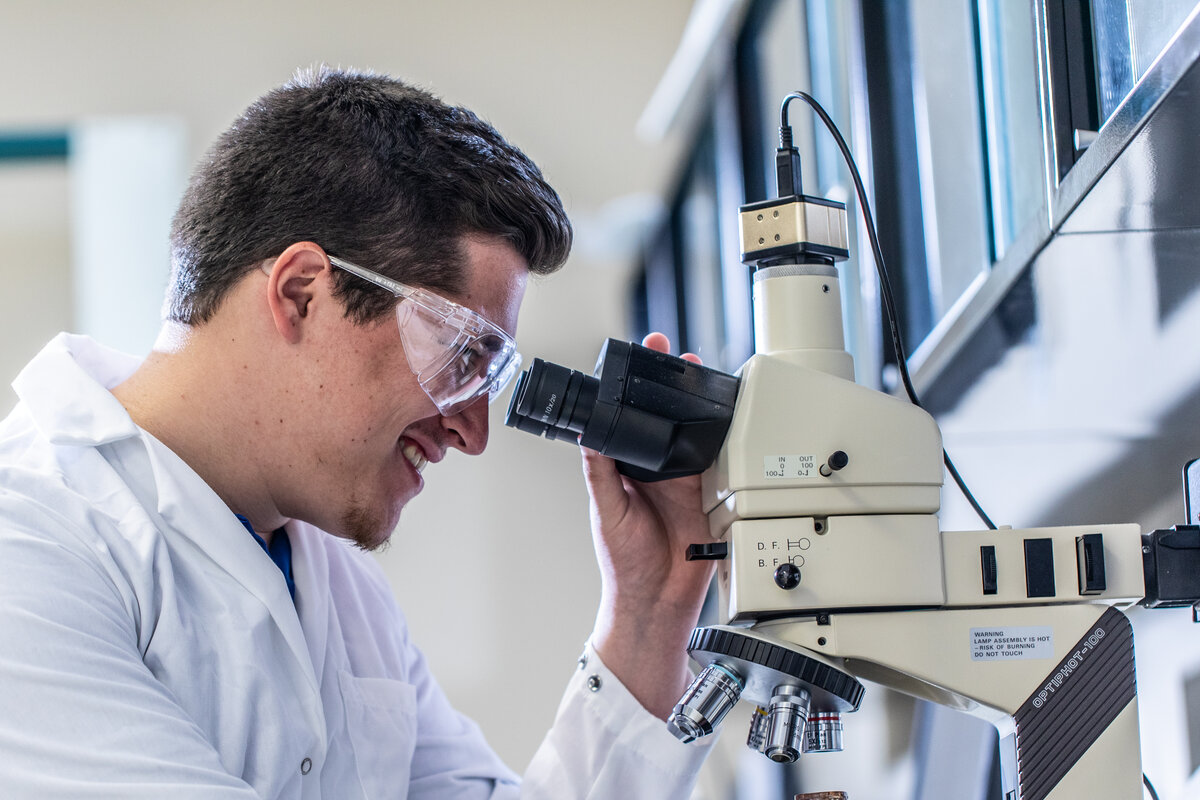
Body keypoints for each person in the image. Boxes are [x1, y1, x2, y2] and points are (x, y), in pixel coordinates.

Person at [0, 67, 717, 798]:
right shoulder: (29, 544)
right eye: (463, 355)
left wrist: (649, 609)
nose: (472, 432)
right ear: (302, 293)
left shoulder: (341, 589)